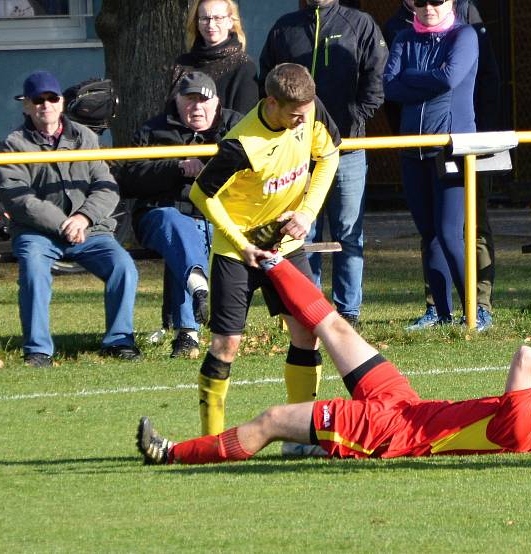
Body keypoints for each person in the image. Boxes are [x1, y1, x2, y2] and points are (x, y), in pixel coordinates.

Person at [137, 253, 531, 464]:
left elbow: (527, 355)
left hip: (389, 433)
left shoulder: (524, 433)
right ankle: (272, 258)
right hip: (405, 405)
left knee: (273, 418)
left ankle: (172, 454)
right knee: (336, 326)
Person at [188, 63, 341, 451]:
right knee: (226, 345)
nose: (302, 119)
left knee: (307, 333)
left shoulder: (309, 108)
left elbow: (330, 155)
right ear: (271, 103)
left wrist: (307, 213)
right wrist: (240, 243)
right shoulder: (241, 145)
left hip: (285, 249)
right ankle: (210, 443)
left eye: (306, 112)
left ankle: (301, 436)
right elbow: (200, 194)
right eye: (294, 114)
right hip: (237, 252)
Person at [0, 71, 140, 367]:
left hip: (91, 230)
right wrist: (64, 223)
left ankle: (119, 341)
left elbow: (106, 185)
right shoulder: (14, 144)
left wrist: (84, 218)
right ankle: (38, 350)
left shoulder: (84, 137)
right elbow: (19, 199)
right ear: (26, 105)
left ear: (61, 103)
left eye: (52, 98)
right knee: (33, 270)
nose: (45, 105)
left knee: (123, 267)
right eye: (38, 100)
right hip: (38, 233)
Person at [258, 0, 388, 327]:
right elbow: (266, 80)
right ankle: (308, 307)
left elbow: (376, 79)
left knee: (348, 231)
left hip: (347, 151)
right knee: (300, 230)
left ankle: (348, 313)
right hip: (297, 152)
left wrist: (351, 121)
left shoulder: (360, 23)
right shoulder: (284, 27)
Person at [384, 0, 500, 332]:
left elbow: (450, 79)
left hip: (451, 150)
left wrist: (411, 77)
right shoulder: (404, 38)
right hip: (411, 151)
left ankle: (474, 312)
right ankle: (441, 314)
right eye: (421, 1)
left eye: (437, 1)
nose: (428, 7)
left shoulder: (464, 35)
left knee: (451, 234)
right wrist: (424, 79)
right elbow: (389, 86)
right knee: (430, 235)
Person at [116, 73, 243, 358]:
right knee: (181, 228)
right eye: (190, 100)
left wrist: (209, 167)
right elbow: (130, 178)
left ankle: (188, 333)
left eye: (204, 100)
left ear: (217, 102)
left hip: (218, 215)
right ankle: (195, 303)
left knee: (190, 239)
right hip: (162, 216)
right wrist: (177, 167)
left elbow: (252, 165)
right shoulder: (153, 130)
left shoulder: (235, 125)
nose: (197, 107)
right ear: (177, 101)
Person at [171, 0, 259, 115]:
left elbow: (244, 120)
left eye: (218, 18)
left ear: (230, 22)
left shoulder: (244, 66)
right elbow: (170, 113)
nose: (211, 25)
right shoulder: (183, 63)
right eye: (205, 19)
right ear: (197, 23)